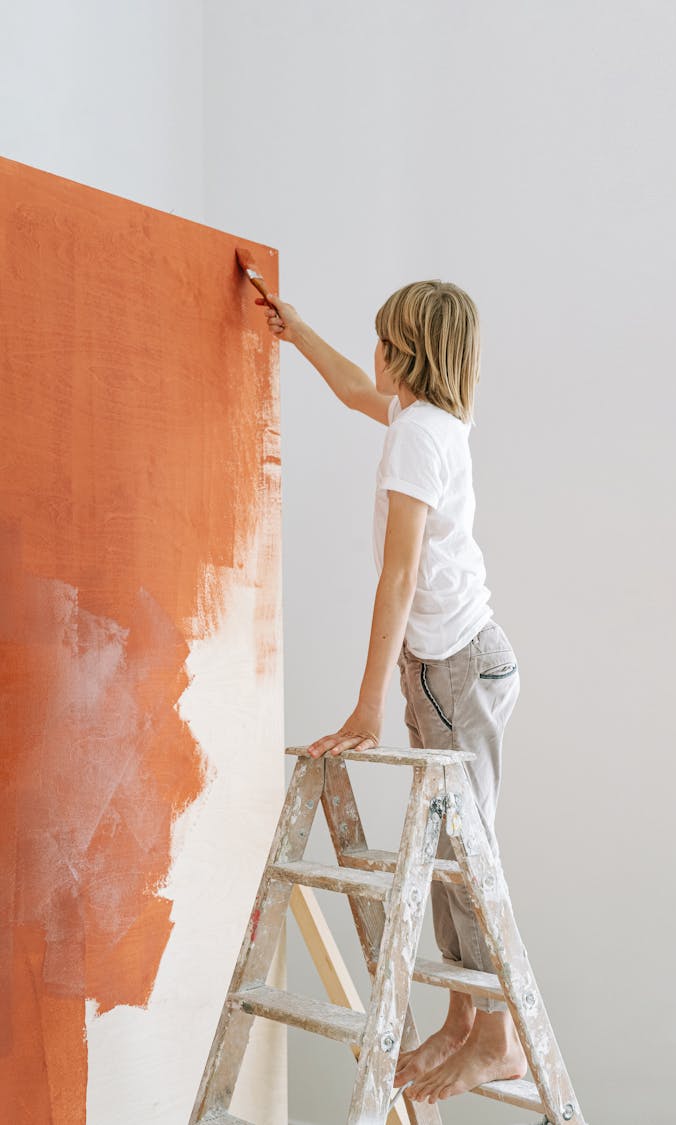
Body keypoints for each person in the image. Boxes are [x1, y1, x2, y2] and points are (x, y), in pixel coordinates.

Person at [256, 279, 527, 1104]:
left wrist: (368, 702)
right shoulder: (431, 422)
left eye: (378, 341)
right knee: (453, 849)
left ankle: (499, 1037)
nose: (370, 355)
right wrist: (293, 330)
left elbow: (400, 575)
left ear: (400, 351)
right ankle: (466, 1018)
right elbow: (350, 389)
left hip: (452, 665)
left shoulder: (416, 435)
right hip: (451, 665)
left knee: (468, 852)